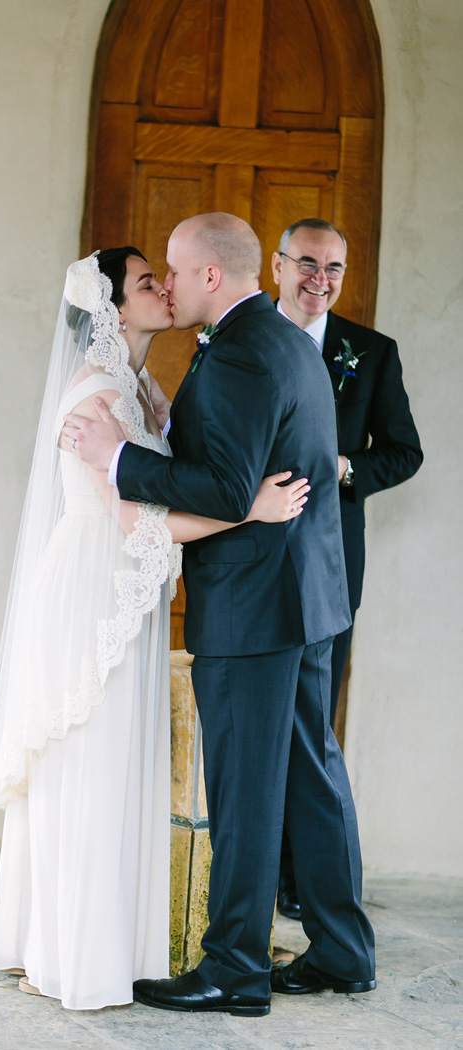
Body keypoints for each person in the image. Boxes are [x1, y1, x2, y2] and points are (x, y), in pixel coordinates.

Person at [0, 247, 308, 1010]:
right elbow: (129, 512)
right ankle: (66, 952)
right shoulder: (96, 393)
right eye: (147, 283)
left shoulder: (140, 386)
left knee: (117, 765)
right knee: (87, 765)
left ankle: (95, 940)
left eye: (166, 276)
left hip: (126, 582)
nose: (164, 287)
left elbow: (171, 471)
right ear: (115, 310)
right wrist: (245, 509)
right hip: (97, 582)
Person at [63, 214, 376, 1016]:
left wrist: (119, 459)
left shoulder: (238, 351)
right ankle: (343, 950)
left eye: (173, 268)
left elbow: (230, 489)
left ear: (209, 275)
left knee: (244, 790)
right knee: (311, 775)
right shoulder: (279, 338)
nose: (166, 283)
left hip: (255, 608)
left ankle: (234, 970)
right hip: (304, 597)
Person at [272, 218, 423, 921]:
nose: (321, 280)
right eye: (308, 263)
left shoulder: (370, 351)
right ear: (277, 265)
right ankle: (249, 871)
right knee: (254, 725)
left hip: (330, 564)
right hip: (245, 560)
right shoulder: (233, 340)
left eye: (334, 268)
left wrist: (347, 468)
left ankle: (307, 884)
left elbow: (403, 450)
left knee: (311, 727)